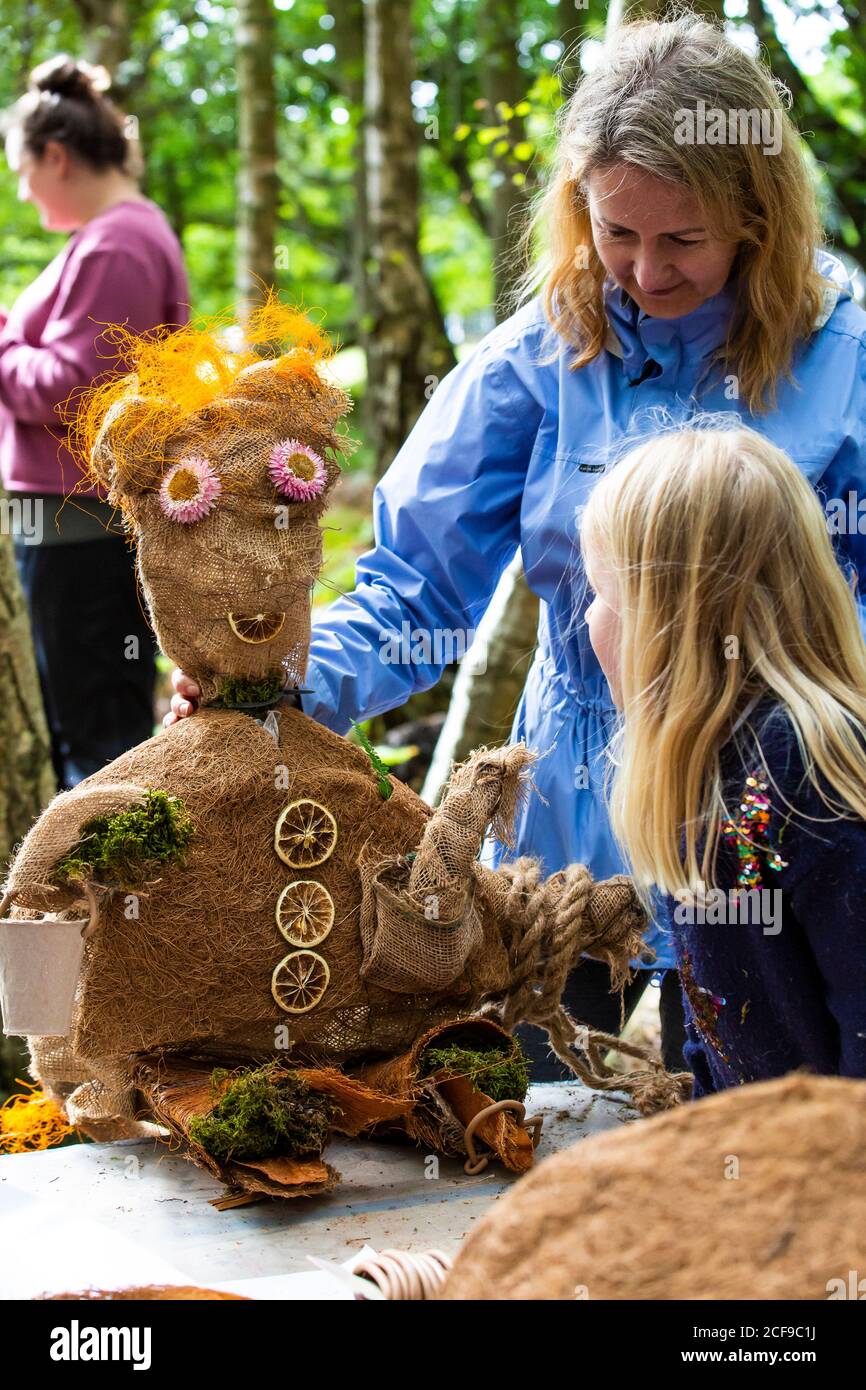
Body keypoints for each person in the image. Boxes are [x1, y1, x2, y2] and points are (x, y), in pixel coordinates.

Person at [166, 13, 866, 1077]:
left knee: (763, 1131)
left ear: (758, 216)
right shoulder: (535, 356)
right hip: (568, 836)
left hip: (776, 835)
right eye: (614, 232)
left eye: (682, 239)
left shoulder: (846, 353)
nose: (643, 270)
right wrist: (275, 691)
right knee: (533, 1126)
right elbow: (412, 590)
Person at [580, 421, 866, 1093]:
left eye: (603, 595)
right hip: (765, 1157)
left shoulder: (803, 770)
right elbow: (730, 1022)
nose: (589, 619)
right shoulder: (707, 764)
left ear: (671, 623)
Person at [0, 55, 189, 788]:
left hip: (76, 527)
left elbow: (75, 390)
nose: (20, 188)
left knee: (95, 734)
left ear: (56, 156)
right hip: (64, 523)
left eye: (22, 169)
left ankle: (113, 900)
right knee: (84, 721)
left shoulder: (120, 243)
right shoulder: (113, 239)